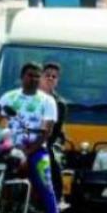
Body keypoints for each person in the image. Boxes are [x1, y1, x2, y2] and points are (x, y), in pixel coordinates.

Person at [0, 63, 61, 213]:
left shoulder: (47, 101)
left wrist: (28, 151)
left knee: (45, 184)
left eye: (36, 76)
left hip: (35, 150)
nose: (32, 79)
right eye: (29, 75)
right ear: (21, 77)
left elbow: (46, 131)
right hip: (9, 146)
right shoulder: (9, 97)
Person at [39, 62, 67, 204]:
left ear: (57, 81)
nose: (50, 78)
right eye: (47, 75)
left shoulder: (59, 103)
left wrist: (41, 143)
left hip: (51, 140)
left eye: (54, 76)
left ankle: (55, 198)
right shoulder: (28, 97)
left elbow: (54, 132)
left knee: (51, 158)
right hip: (25, 138)